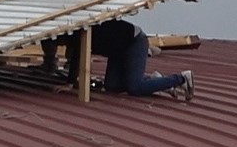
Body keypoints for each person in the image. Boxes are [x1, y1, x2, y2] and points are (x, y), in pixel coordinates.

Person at [65, 18, 194, 100]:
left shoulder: (78, 33)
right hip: (117, 49)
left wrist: (70, 84)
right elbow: (78, 56)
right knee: (111, 86)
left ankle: (181, 78)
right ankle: (155, 80)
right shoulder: (75, 36)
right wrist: (70, 82)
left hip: (134, 42)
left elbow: (78, 55)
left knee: (135, 87)